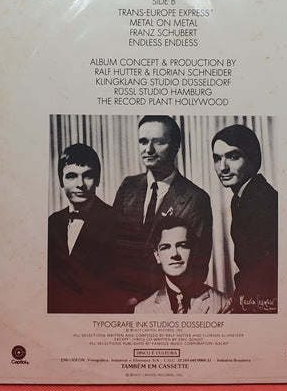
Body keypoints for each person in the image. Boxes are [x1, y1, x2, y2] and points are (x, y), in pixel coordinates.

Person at [113, 115, 213, 311]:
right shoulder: (128, 187)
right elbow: (111, 247)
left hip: (163, 306)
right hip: (120, 301)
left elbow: (197, 266)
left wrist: (149, 303)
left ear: (176, 147)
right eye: (143, 141)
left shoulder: (196, 198)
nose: (149, 149)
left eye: (158, 142)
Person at [211, 124, 278, 313]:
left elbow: (265, 273)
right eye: (217, 158)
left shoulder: (263, 200)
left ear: (252, 158)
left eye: (233, 157)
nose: (223, 167)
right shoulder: (242, 198)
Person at [48, 143, 120, 313]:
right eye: (71, 176)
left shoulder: (117, 221)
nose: (80, 184)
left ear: (98, 180)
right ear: (61, 181)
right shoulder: (52, 222)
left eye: (87, 176)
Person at [135, 218, 230, 314]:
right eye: (165, 247)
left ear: (193, 251)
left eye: (182, 245)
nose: (174, 254)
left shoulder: (222, 304)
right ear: (157, 256)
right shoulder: (142, 310)